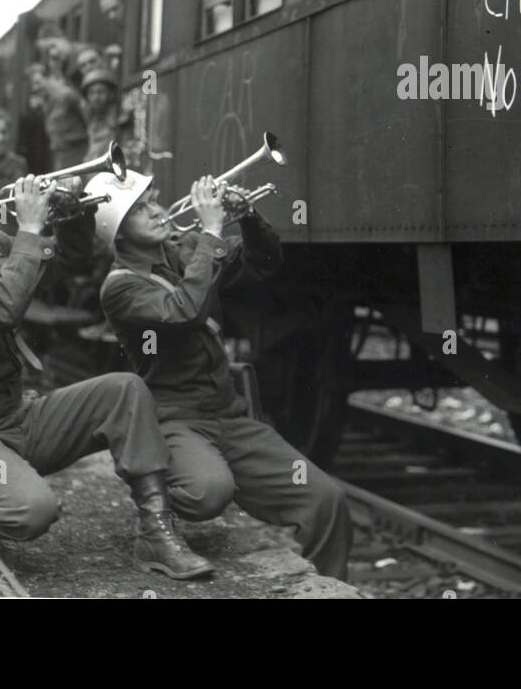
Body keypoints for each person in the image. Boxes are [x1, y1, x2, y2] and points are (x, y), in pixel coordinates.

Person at [0, 144, 215, 580]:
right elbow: (1, 307)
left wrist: (72, 213)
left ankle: (155, 533)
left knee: (124, 390)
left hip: (15, 419)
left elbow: (60, 265)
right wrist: (27, 227)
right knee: (33, 510)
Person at [88, 169, 353, 581]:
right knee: (208, 492)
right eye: (141, 210)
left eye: (154, 199)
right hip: (177, 419)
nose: (158, 211)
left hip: (231, 415)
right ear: (118, 232)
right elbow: (183, 312)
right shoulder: (119, 288)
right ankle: (153, 519)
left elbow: (265, 262)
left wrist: (247, 217)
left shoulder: (185, 249)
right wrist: (211, 231)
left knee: (326, 499)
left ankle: (332, 587)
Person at [80, 67, 120, 162]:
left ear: (111, 94)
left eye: (101, 92)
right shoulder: (91, 120)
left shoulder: (117, 121)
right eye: (91, 93)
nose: (96, 98)